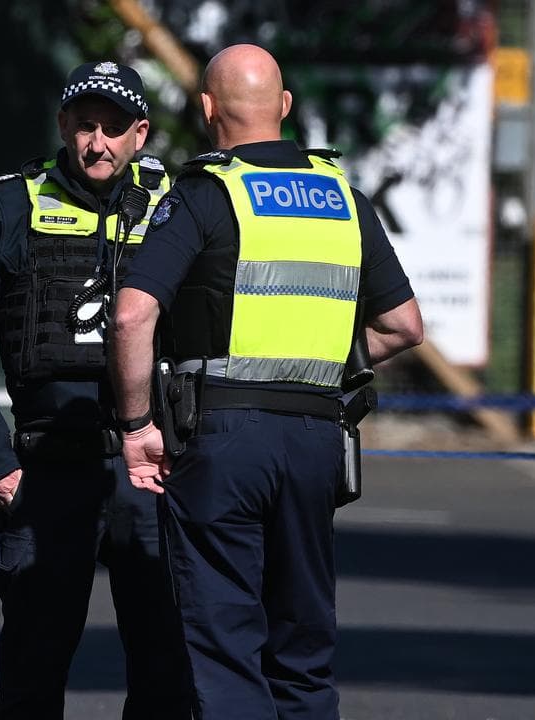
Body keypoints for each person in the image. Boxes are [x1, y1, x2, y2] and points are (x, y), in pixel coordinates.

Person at [109, 44, 425, 720]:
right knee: (304, 653)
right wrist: (320, 362)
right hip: (316, 441)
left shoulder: (205, 193)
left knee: (226, 653)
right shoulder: (344, 197)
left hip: (221, 443)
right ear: (283, 107)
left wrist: (137, 427)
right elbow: (403, 326)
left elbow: (132, 315)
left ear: (206, 109)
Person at [0, 61, 190, 719]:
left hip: (151, 475)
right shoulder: (8, 203)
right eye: (84, 126)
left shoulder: (179, 206)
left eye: (113, 128)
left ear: (141, 133)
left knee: (168, 670)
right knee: (31, 674)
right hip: (45, 471)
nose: (96, 143)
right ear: (63, 126)